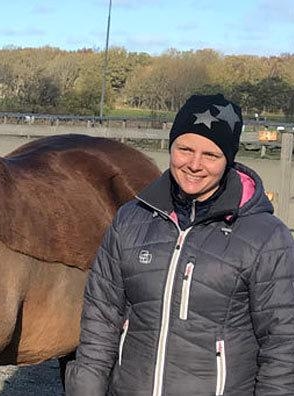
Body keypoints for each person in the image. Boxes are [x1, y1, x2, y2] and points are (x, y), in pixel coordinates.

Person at [65, 94, 294, 395]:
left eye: (210, 155)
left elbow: (283, 343)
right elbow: (101, 320)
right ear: (171, 147)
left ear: (229, 159)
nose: (195, 165)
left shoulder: (266, 237)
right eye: (185, 149)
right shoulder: (130, 220)